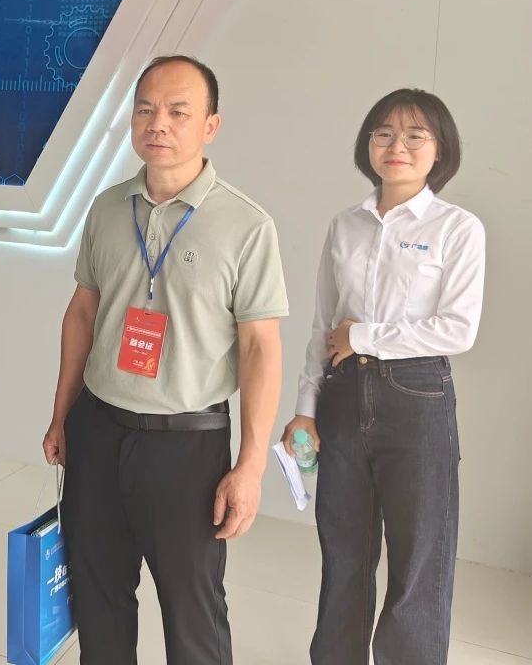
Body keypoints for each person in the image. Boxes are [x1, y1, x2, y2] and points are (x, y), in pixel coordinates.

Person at [42, 54, 288, 665]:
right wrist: (62, 415)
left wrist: (251, 466)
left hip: (187, 446)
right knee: (99, 598)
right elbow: (82, 313)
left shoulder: (246, 224)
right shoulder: (106, 207)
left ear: (211, 125)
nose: (159, 124)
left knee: (192, 613)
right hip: (99, 428)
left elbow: (260, 348)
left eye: (179, 111)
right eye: (146, 110)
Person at [281, 88, 486, 665]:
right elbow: (323, 324)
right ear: (367, 144)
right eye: (384, 133)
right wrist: (305, 409)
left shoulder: (457, 228)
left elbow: (457, 330)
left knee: (419, 556)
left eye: (416, 135)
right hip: (343, 392)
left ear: (440, 150)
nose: (398, 145)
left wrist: (365, 337)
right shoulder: (345, 225)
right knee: (344, 549)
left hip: (416, 396)